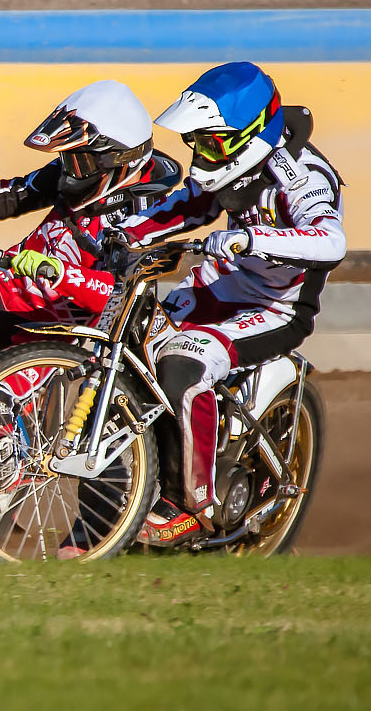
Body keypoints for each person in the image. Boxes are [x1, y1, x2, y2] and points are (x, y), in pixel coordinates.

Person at [121, 62, 345, 548]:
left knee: (183, 363)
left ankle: (193, 506)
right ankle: (142, 481)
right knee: (137, 335)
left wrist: (252, 237)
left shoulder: (302, 176)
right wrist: (115, 236)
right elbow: (187, 206)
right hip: (226, 283)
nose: (200, 154)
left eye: (210, 142)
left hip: (279, 306)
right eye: (195, 142)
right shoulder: (229, 165)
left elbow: (330, 242)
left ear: (251, 134)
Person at [0, 78, 184, 380]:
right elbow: (15, 194)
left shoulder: (148, 214)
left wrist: (57, 270)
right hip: (9, 284)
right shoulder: (80, 172)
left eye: (80, 162)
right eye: (67, 159)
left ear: (119, 159)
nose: (71, 172)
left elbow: (117, 294)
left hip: (57, 323)